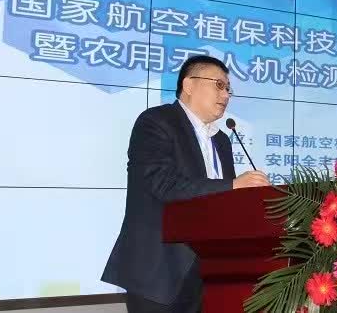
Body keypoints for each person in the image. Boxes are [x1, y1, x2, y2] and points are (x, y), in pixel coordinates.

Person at [102, 55, 270, 313]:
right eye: (219, 85)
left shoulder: (222, 141)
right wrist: (232, 186)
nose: (226, 94)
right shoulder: (156, 122)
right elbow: (162, 183)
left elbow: (225, 203)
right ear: (189, 85)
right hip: (159, 271)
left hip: (209, 273)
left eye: (228, 89)